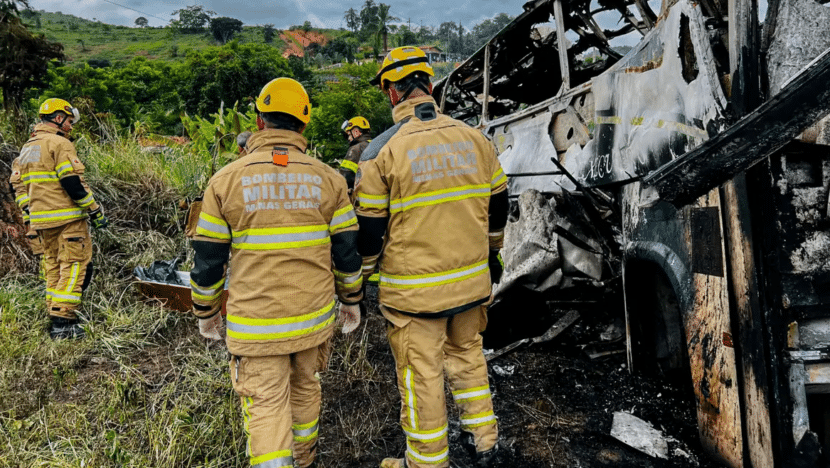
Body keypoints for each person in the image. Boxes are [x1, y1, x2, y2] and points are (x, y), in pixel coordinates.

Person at [189, 77, 363, 468]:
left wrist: (206, 313)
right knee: (304, 391)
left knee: (266, 403)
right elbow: (347, 252)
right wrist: (352, 301)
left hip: (256, 326)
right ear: (304, 124)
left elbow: (209, 259)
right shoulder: (330, 180)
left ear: (259, 119)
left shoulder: (225, 181)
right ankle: (305, 460)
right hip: (313, 320)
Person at [354, 46, 509, 468]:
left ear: (391, 93)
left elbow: (369, 231)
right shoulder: (475, 138)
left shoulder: (379, 153)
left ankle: (426, 461)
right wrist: (493, 253)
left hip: (414, 294)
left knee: (422, 375)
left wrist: (362, 281)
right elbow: (499, 204)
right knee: (467, 355)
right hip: (472, 282)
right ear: (430, 85)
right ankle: (485, 442)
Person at [9, 98, 108, 340]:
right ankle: (64, 324)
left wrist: (30, 214)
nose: (71, 126)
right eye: (69, 121)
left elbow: (18, 189)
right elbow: (71, 183)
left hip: (41, 223)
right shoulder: (59, 143)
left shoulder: (27, 148)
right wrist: (95, 210)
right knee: (75, 265)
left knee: (53, 267)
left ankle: (55, 314)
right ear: (58, 118)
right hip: (67, 220)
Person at [338, 116, 371, 193]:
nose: (349, 138)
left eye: (349, 134)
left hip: (360, 195)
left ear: (356, 132)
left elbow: (346, 176)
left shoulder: (356, 149)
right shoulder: (375, 144)